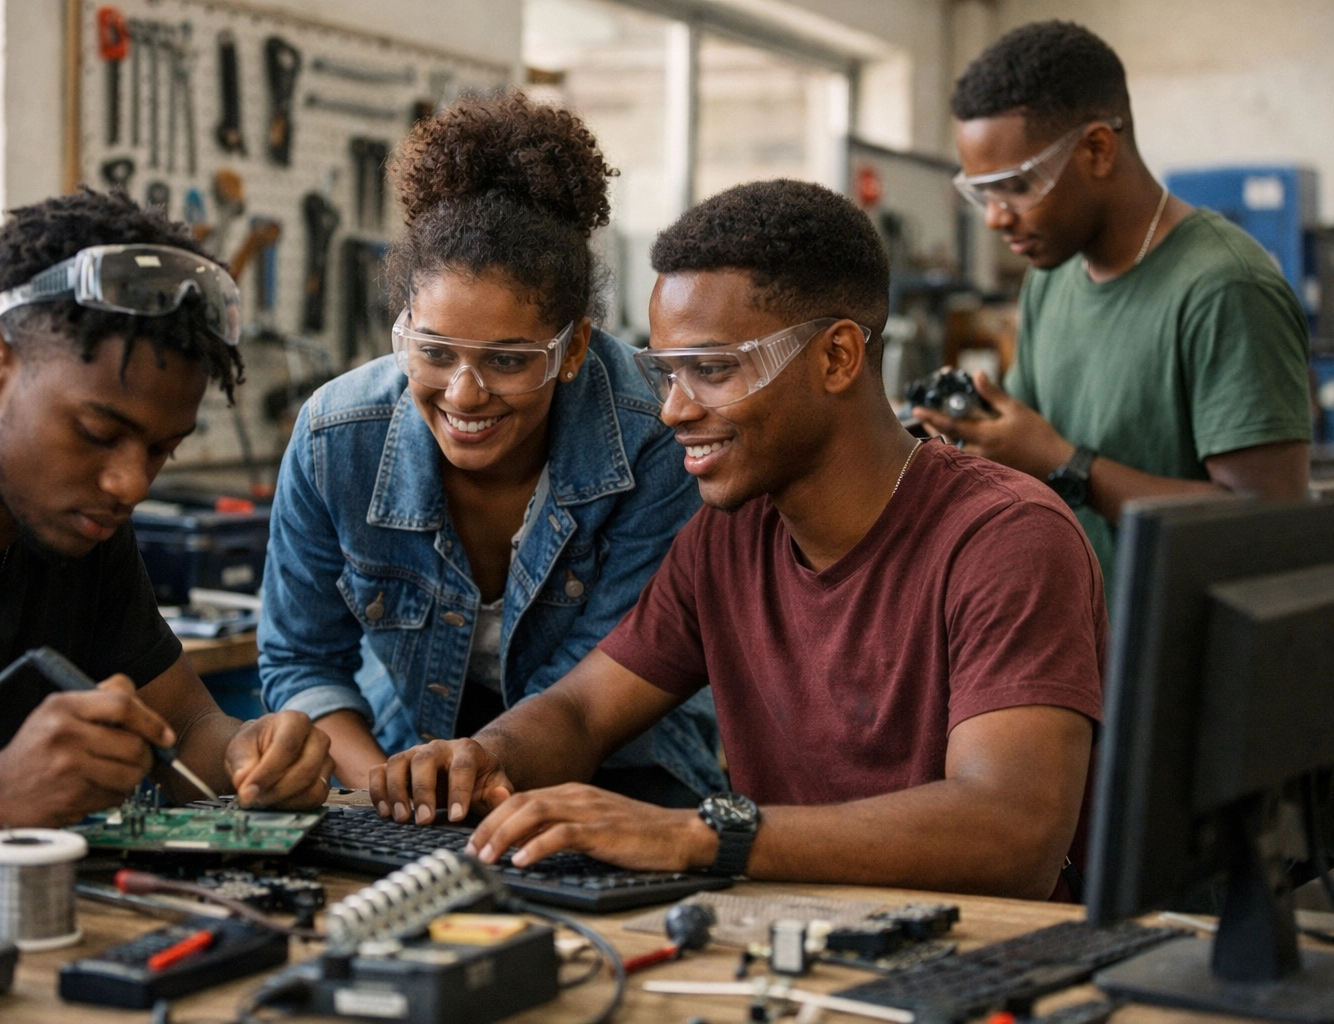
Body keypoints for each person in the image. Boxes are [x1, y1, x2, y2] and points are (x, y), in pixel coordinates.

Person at [370, 180, 1107, 900]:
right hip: (793, 942)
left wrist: (701, 834)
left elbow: (1014, 833)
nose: (673, 411)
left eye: (712, 371)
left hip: (985, 961)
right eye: (666, 374)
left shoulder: (1006, 539)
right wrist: (481, 757)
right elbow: (583, 710)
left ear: (838, 357)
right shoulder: (726, 537)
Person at [0, 191, 334, 897]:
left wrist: (249, 755)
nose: (130, 482)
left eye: (161, 450)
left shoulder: (80, 523)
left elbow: (185, 724)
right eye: (96, 433)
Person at [258, 93, 722, 809]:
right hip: (408, 756)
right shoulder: (334, 437)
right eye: (435, 352)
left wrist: (467, 777)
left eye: (508, 361)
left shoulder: (653, 434)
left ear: (572, 352)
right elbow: (299, 658)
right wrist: (380, 787)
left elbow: (594, 692)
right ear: (402, 328)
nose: (465, 394)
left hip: (624, 771)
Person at [918, 21, 1310, 590]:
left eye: (1017, 187)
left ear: (1097, 149)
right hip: (1077, 636)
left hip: (1175, 659)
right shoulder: (1051, 277)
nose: (996, 218)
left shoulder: (1226, 287)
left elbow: (1268, 524)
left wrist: (1067, 465)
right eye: (982, 193)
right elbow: (1027, 451)